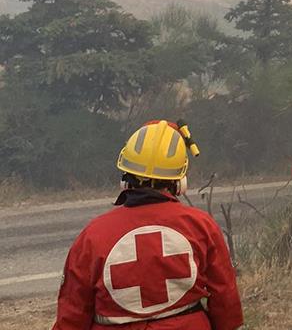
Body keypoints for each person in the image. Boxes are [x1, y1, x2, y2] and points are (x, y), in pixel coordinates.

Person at [53, 120, 243, 330]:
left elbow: (73, 313)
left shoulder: (93, 235)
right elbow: (225, 301)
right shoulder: (201, 226)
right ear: (179, 183)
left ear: (125, 179)